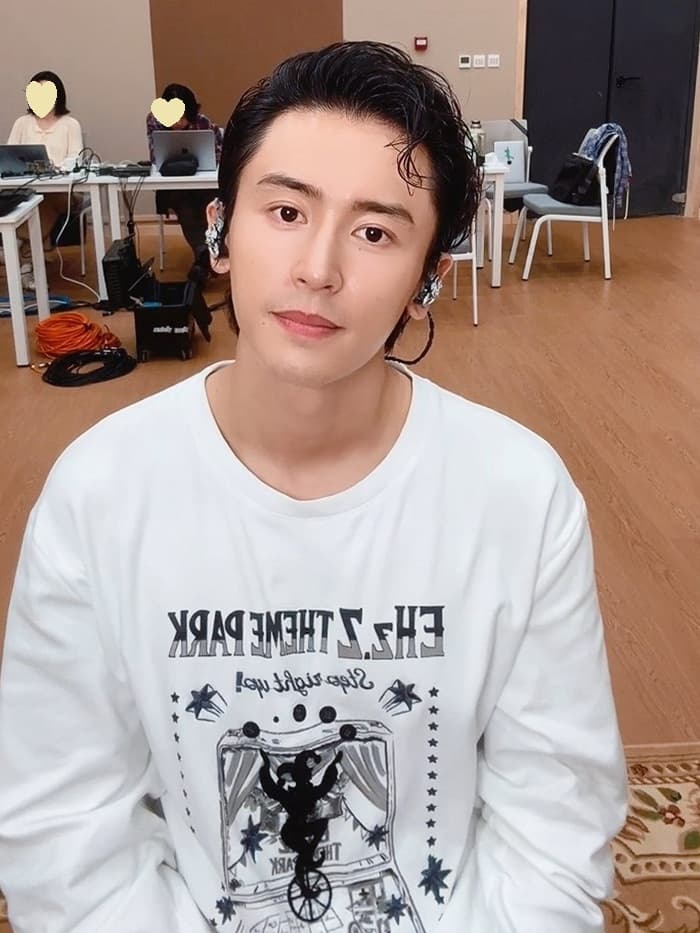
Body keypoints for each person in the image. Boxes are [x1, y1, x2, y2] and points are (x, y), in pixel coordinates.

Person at [0, 41, 628, 932]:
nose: (318, 268)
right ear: (220, 231)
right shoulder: (98, 493)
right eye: (287, 211)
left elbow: (555, 827)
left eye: (375, 232)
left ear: (428, 278)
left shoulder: (520, 495)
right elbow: (61, 832)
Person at [7, 70, 84, 287]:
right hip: (26, 188)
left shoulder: (70, 124)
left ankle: (23, 255)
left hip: (63, 192)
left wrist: (56, 168)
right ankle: (28, 260)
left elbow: (76, 159)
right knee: (33, 200)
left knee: (41, 201)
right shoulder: (22, 123)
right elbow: (9, 155)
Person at [147, 82, 223, 285]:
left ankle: (203, 259)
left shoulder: (203, 123)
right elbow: (155, 156)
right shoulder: (154, 122)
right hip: (172, 185)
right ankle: (205, 255)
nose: (177, 122)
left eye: (182, 117)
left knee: (209, 203)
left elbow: (218, 153)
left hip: (202, 182)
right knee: (184, 204)